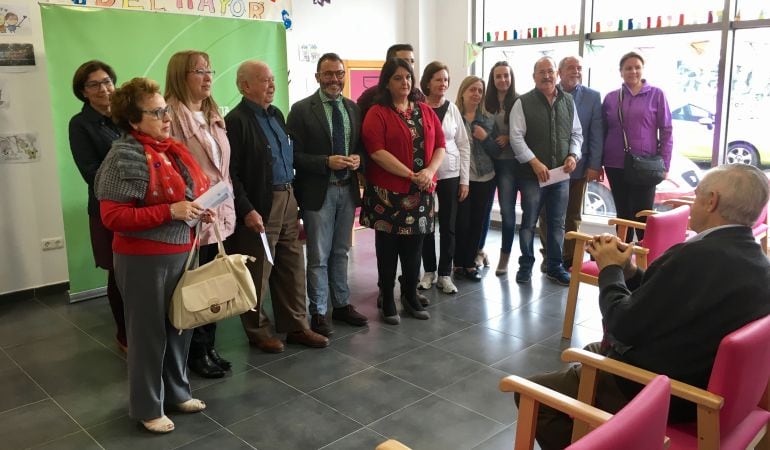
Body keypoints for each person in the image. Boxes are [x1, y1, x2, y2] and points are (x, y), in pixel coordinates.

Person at [524, 163, 770, 450]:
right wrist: (627, 270)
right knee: (591, 352)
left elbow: (621, 324)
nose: (692, 204)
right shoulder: (759, 265)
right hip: (705, 382)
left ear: (712, 200)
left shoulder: (693, 257)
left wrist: (609, 269)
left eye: (697, 196)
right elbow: (665, 297)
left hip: (667, 393)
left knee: (535, 393)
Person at [94, 77, 211, 433]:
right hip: (142, 258)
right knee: (147, 335)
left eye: (166, 110)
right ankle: (147, 406)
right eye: (157, 112)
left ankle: (176, 392)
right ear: (133, 120)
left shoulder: (170, 149)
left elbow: (184, 196)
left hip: (181, 250)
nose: (166, 117)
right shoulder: (124, 155)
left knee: (180, 325)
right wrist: (171, 212)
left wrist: (196, 209)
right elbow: (113, 217)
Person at [226, 61, 329, 352]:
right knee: (258, 270)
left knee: (292, 265)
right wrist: (246, 209)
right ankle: (258, 331)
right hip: (261, 203)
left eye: (273, 79)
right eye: (264, 80)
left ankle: (297, 326)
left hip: (287, 199)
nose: (271, 85)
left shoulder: (277, 115)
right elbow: (231, 173)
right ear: (244, 86)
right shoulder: (237, 121)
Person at [286, 53, 369, 337]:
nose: (335, 79)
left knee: (341, 251)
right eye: (328, 74)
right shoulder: (301, 110)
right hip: (317, 193)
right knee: (319, 255)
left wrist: (358, 159)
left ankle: (342, 304)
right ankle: (319, 311)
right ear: (317, 77)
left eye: (339, 73)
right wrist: (325, 162)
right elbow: (293, 156)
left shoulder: (353, 108)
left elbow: (361, 147)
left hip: (347, 190)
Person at [164, 50, 234, 378]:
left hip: (217, 212)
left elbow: (222, 169)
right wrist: (195, 203)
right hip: (191, 216)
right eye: (198, 71)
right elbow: (171, 170)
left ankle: (208, 346)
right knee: (194, 286)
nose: (207, 77)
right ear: (181, 76)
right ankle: (194, 352)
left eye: (209, 70)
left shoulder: (212, 113)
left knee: (214, 282)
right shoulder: (170, 115)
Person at [360, 57, 446, 324]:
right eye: (398, 78)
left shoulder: (424, 110)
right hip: (388, 195)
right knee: (388, 250)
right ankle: (387, 298)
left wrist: (429, 172)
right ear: (387, 82)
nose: (405, 82)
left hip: (421, 193)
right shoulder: (378, 112)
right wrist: (411, 175)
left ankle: (410, 295)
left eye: (408, 77)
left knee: (414, 249)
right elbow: (376, 151)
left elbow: (441, 145)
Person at [68, 60, 126, 353]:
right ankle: (125, 335)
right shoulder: (80, 125)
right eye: (94, 84)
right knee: (118, 272)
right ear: (83, 92)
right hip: (108, 207)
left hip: (140, 205)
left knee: (140, 269)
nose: (104, 89)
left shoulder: (125, 116)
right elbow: (90, 172)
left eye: (107, 81)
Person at [511, 56, 583, 285]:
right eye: (541, 72)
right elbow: (516, 137)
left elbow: (576, 134)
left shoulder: (568, 101)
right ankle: (526, 265)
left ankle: (554, 266)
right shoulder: (523, 102)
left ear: (557, 74)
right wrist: (534, 162)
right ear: (534, 77)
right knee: (529, 223)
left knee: (557, 223)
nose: (547, 75)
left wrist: (573, 155)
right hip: (532, 176)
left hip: (560, 176)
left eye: (550, 71)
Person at [537, 56, 604, 270]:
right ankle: (549, 254)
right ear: (560, 71)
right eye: (571, 68)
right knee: (547, 214)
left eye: (579, 68)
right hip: (550, 167)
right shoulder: (545, 91)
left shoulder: (592, 97)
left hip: (578, 166)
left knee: (572, 214)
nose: (576, 71)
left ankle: (568, 258)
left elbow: (595, 133)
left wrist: (594, 165)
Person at [602, 51, 673, 242]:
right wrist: (596, 163)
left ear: (642, 69)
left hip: (645, 166)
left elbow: (666, 131)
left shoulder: (656, 94)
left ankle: (646, 263)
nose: (633, 71)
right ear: (621, 72)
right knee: (623, 214)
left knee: (643, 215)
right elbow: (602, 131)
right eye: (628, 68)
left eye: (637, 67)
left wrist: (665, 164)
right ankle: (622, 261)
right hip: (615, 164)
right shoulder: (611, 98)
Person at [416, 61, 470, 294]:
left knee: (448, 224)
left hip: (450, 172)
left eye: (446, 79)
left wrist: (464, 180)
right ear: (427, 82)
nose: (443, 83)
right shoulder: (417, 107)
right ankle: (429, 271)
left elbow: (464, 145)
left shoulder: (452, 109)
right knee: (426, 224)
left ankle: (445, 274)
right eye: (438, 79)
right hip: (424, 174)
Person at [454, 76, 500, 282]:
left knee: (477, 223)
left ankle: (470, 263)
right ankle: (457, 263)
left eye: (480, 91)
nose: (476, 94)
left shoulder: (488, 119)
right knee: (461, 223)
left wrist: (486, 138)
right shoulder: (453, 116)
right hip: (461, 178)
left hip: (485, 177)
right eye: (472, 89)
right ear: (463, 92)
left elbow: (497, 151)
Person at [482, 61, 519, 276]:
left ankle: (505, 257)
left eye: (506, 75)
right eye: (498, 76)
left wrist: (509, 137)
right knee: (485, 209)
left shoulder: (519, 101)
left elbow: (527, 132)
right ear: (493, 79)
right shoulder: (487, 103)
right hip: (488, 162)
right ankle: (479, 250)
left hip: (509, 163)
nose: (503, 80)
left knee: (507, 211)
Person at [357, 43, 425, 118]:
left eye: (412, 61)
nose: (409, 66)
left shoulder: (417, 94)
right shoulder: (370, 95)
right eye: (404, 61)